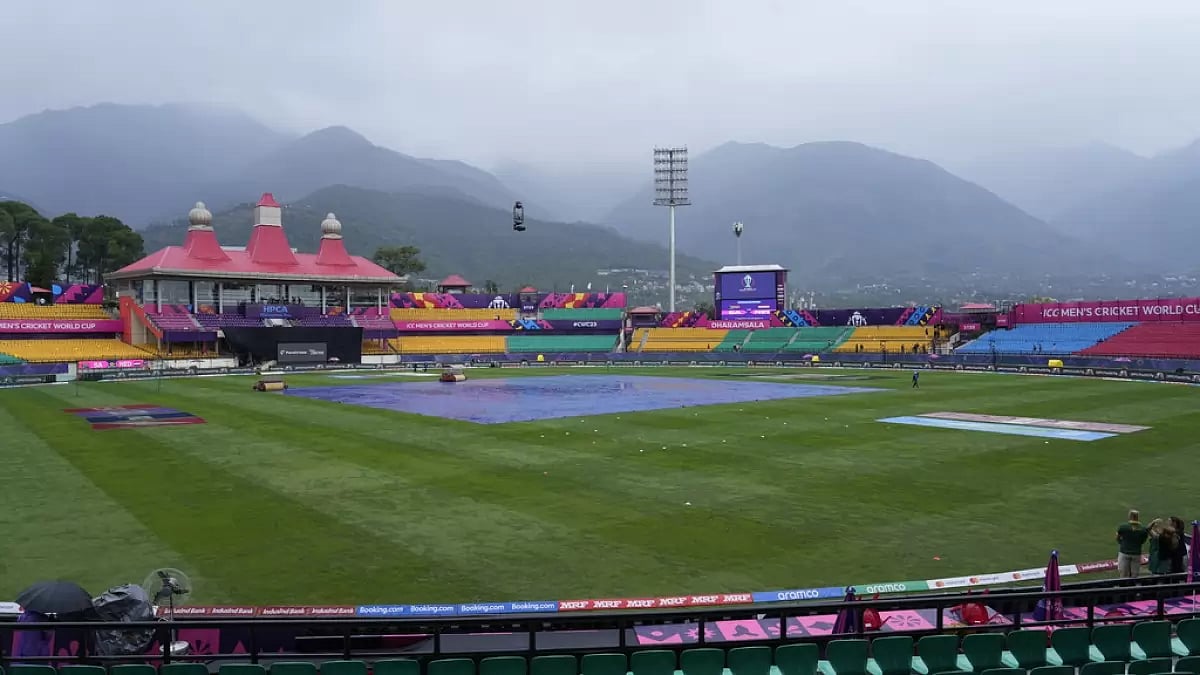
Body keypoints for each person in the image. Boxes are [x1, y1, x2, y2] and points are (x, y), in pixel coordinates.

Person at [1117, 510, 1150, 578]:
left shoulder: (1123, 527)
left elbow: (1117, 537)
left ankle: (1123, 587)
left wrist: (1122, 543)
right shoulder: (1143, 529)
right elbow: (1143, 541)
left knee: (1123, 574)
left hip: (1124, 552)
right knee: (1134, 575)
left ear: (1130, 516)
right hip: (1136, 554)